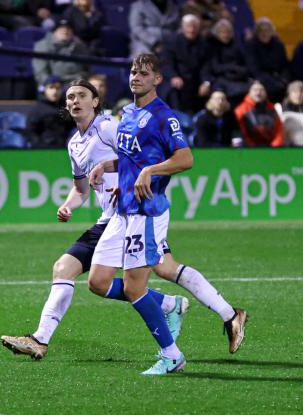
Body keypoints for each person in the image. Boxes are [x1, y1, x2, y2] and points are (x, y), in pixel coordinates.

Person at [1, 73, 247, 366]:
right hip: (110, 219)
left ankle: (221, 315)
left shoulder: (109, 127)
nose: (75, 101)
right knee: (88, 276)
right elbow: (81, 190)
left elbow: (142, 156)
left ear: (95, 101)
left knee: (161, 269)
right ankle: (176, 305)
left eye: (82, 96)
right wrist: (68, 206)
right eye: (70, 97)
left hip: (134, 214)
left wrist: (126, 181)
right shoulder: (74, 144)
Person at [86, 55, 247, 372]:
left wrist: (150, 171)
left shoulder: (164, 117)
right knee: (98, 281)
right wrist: (108, 166)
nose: (136, 77)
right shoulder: (127, 112)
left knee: (135, 287)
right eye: (133, 71)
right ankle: (195, 308)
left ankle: (171, 355)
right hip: (124, 208)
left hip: (146, 211)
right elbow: (134, 158)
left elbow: (185, 159)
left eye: (144, 73)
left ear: (157, 79)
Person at [161, 13, 210, 114]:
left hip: (196, 82)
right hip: (176, 80)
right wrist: (173, 76)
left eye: (194, 27)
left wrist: (205, 82)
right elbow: (166, 63)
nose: (191, 30)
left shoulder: (204, 45)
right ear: (183, 27)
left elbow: (206, 66)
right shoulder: (172, 42)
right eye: (188, 26)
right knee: (172, 91)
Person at [201, 18, 251, 104]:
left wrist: (236, 69)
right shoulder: (212, 47)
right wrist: (232, 67)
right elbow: (216, 67)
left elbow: (245, 65)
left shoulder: (237, 45)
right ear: (217, 33)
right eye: (222, 32)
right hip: (220, 79)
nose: (225, 35)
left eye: (228, 32)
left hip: (238, 78)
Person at [32, 20, 92, 89]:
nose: (65, 31)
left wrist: (83, 79)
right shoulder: (43, 45)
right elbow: (41, 73)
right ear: (54, 31)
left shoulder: (80, 46)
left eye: (68, 29)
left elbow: (87, 69)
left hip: (77, 84)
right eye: (61, 28)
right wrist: (50, 82)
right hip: (54, 85)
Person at [244, 17, 289, 104]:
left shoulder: (279, 45)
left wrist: (284, 79)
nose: (264, 33)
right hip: (260, 79)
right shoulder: (250, 46)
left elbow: (285, 65)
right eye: (261, 30)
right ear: (257, 32)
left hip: (278, 78)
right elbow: (254, 69)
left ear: (272, 32)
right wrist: (274, 82)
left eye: (267, 30)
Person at [26, 75, 73, 148]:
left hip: (64, 148)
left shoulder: (67, 107)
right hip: (43, 149)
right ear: (44, 89)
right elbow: (30, 132)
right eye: (51, 87)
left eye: (58, 88)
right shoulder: (37, 109)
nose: (54, 91)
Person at [234, 81, 283, 147]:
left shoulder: (272, 108)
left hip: (271, 148)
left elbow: (279, 131)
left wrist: (273, 147)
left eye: (261, 90)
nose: (258, 93)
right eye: (255, 90)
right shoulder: (240, 110)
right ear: (249, 92)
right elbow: (242, 134)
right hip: (250, 148)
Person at [276, 80, 303, 147]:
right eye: (295, 92)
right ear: (289, 94)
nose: (298, 95)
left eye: (302, 92)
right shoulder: (280, 109)